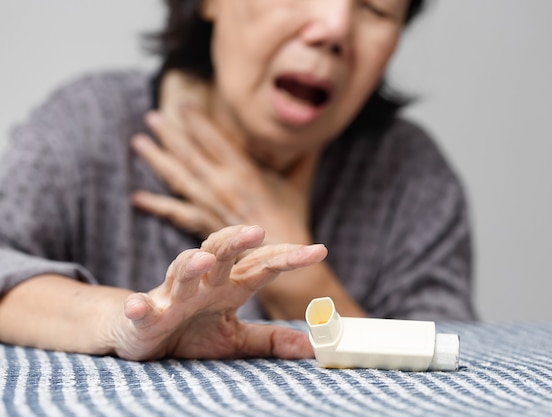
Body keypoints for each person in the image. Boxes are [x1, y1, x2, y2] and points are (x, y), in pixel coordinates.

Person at [0, 0, 475, 361]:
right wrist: (130, 320)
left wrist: (297, 273)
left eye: (376, 7)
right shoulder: (89, 123)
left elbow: (457, 361)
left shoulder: (409, 173)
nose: (335, 27)